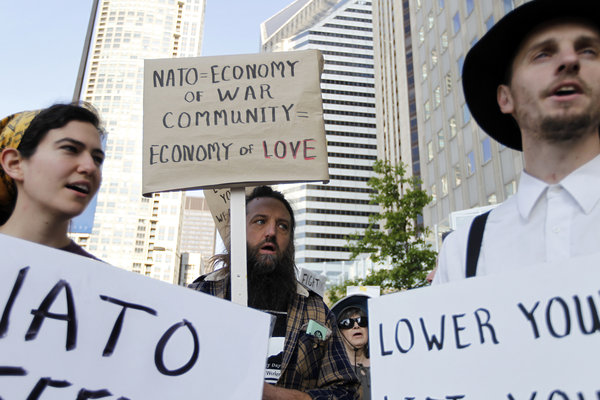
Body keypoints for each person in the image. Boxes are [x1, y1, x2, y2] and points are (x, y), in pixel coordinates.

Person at [434, 0, 600, 283]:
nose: (570, 61)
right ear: (505, 97)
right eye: (543, 54)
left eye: (588, 51)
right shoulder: (462, 254)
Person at [190, 186, 360, 400]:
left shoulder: (316, 310)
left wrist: (274, 395)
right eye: (260, 221)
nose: (271, 232)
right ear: (239, 229)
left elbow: (346, 392)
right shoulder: (200, 295)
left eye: (282, 226)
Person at [0, 103, 105, 259]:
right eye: (70, 149)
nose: (90, 167)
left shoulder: (102, 279)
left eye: (97, 159)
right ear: (14, 164)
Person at [331, 294, 371, 400]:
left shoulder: (384, 364)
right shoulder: (331, 370)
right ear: (338, 332)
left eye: (362, 321)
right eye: (347, 323)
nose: (356, 326)